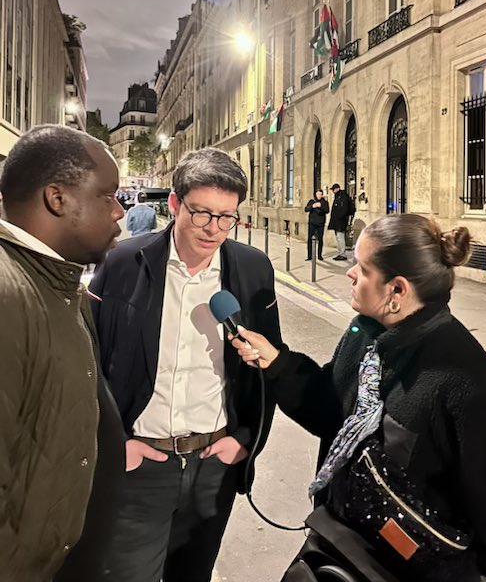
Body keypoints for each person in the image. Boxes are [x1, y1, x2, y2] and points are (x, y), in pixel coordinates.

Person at [233, 214, 486, 582]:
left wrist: (454, 571)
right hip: (338, 550)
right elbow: (329, 412)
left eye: (362, 268)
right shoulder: (367, 333)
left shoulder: (468, 385)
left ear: (396, 290)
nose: (350, 273)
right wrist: (277, 363)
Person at [90, 148, 282, 582]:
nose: (214, 229)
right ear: (174, 205)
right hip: (141, 465)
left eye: (227, 217)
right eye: (202, 214)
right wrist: (116, 443)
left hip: (213, 465)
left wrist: (246, 440)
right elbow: (92, 363)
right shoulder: (122, 264)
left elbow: (267, 366)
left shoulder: (252, 270)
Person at [0, 125, 125, 582]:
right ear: (57, 198)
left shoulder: (57, 284)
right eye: (107, 196)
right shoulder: (8, 294)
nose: (119, 211)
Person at [327, 183, 355, 260]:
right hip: (338, 221)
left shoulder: (342, 196)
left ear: (337, 189)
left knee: (340, 236)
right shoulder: (339, 196)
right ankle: (341, 253)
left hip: (340, 221)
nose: (332, 191)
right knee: (338, 236)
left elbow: (343, 209)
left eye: (333, 189)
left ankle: (342, 254)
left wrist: (339, 218)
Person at [304, 188, 329, 261]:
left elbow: (327, 210)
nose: (319, 196)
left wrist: (320, 206)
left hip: (320, 223)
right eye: (318, 194)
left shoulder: (324, 202)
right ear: (316, 194)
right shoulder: (312, 201)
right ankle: (309, 255)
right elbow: (306, 209)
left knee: (320, 239)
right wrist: (313, 206)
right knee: (309, 239)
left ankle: (319, 255)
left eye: (321, 194)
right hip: (312, 223)